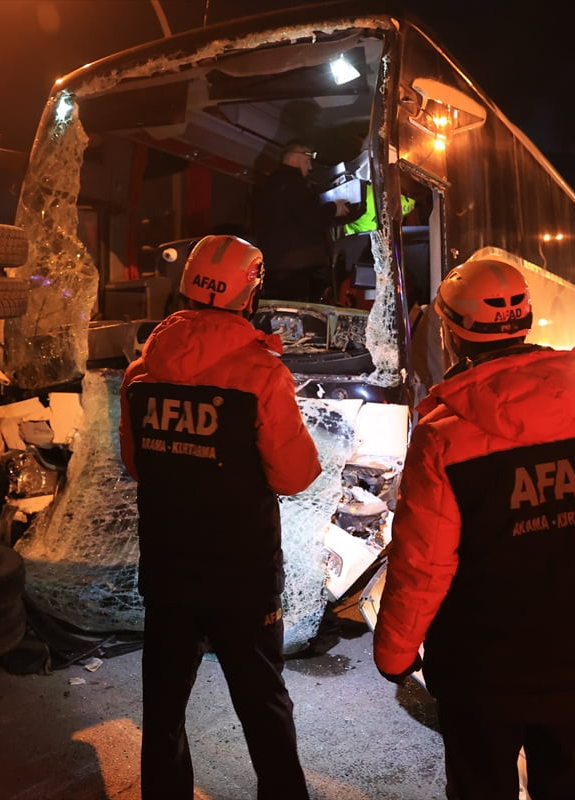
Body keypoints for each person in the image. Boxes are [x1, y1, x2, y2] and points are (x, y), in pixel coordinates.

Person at [371, 256, 575, 800]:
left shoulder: (443, 437)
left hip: (482, 670)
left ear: (451, 333)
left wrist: (395, 652)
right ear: (525, 323)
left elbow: (423, 564)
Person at [118, 234, 321, 800]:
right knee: (262, 701)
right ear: (250, 290)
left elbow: (138, 465)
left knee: (162, 703)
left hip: (168, 566)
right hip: (242, 574)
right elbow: (294, 475)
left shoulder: (142, 372)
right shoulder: (262, 374)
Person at [252, 139, 349, 302]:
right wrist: (333, 208)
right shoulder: (292, 183)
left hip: (278, 263)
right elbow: (309, 217)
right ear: (293, 158)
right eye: (307, 160)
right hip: (294, 265)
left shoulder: (273, 183)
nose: (310, 167)